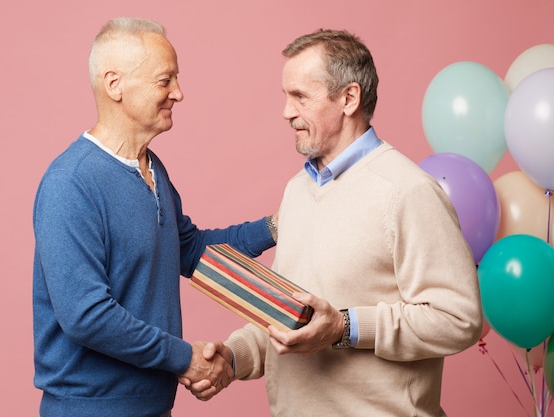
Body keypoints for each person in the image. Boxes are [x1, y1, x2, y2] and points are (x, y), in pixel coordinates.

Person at [182, 29, 483, 416]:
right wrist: (233, 358)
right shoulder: (297, 191)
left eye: (300, 97)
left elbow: (458, 319)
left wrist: (344, 327)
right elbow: (289, 315)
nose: (287, 112)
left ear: (348, 98)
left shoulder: (408, 192)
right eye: (286, 96)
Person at [32, 17, 277, 417]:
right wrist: (184, 357)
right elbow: (86, 317)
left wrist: (275, 227)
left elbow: (193, 251)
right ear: (116, 85)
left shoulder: (152, 169)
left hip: (153, 407)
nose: (178, 93)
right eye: (165, 81)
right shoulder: (70, 183)